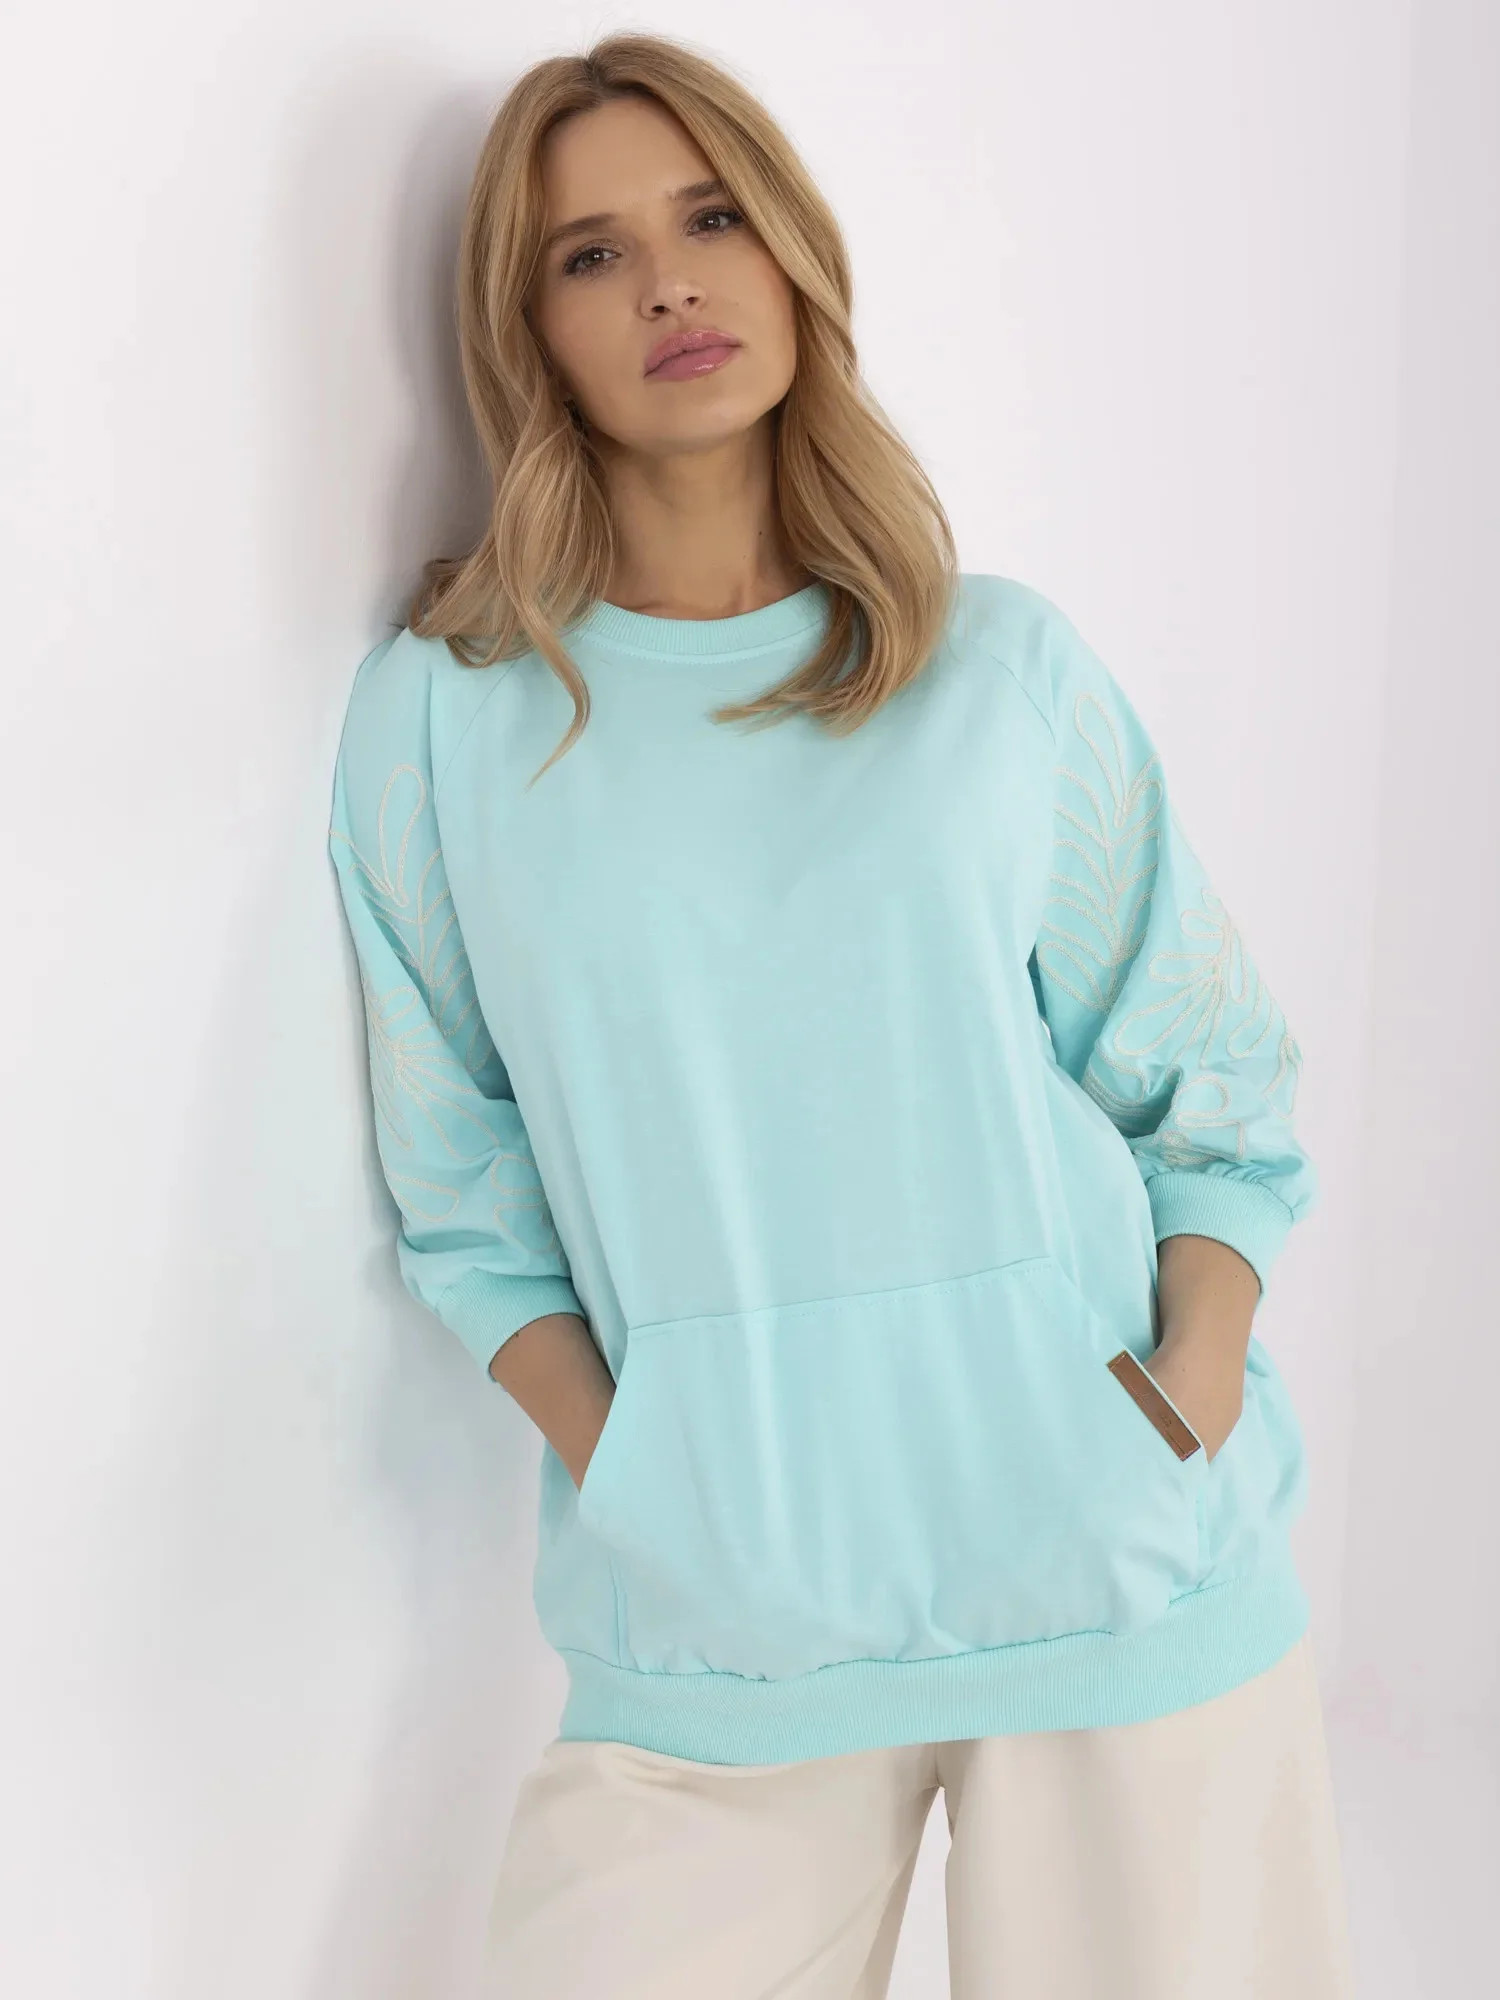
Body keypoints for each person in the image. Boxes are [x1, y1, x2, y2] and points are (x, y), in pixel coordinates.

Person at [327, 31, 1356, 2000]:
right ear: (529, 330)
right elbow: (459, 1175)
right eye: (592, 254)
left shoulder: (996, 671)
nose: (671, 285)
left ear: (795, 254)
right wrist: (649, 1471)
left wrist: (1192, 1385)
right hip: (717, 1612)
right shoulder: (452, 712)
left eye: (712, 219)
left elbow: (1210, 1079)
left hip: (1114, 1562)